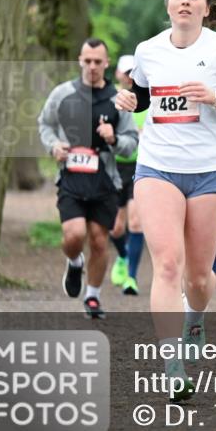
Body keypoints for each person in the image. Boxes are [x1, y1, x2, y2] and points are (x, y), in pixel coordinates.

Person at [114, 0, 216, 402]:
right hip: (157, 167)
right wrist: (129, 101)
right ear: (168, 6)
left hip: (209, 171)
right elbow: (143, 95)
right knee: (167, 267)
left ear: (206, 8)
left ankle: (195, 317)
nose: (184, 1)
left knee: (199, 277)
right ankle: (172, 363)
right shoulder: (148, 50)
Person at [38, 38, 139, 319]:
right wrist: (54, 146)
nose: (93, 66)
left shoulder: (117, 99)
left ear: (106, 64)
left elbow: (132, 143)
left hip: (105, 181)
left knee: (98, 239)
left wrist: (114, 138)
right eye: (88, 61)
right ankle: (74, 261)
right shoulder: (62, 94)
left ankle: (92, 296)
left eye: (98, 61)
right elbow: (44, 124)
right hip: (71, 178)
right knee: (74, 236)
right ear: (80, 61)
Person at [111, 55, 147, 295]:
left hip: (139, 166)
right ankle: (123, 256)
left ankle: (131, 277)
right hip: (113, 166)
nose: (129, 77)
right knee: (115, 227)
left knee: (135, 221)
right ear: (118, 74)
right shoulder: (109, 98)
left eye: (133, 72)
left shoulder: (147, 98)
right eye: (126, 72)